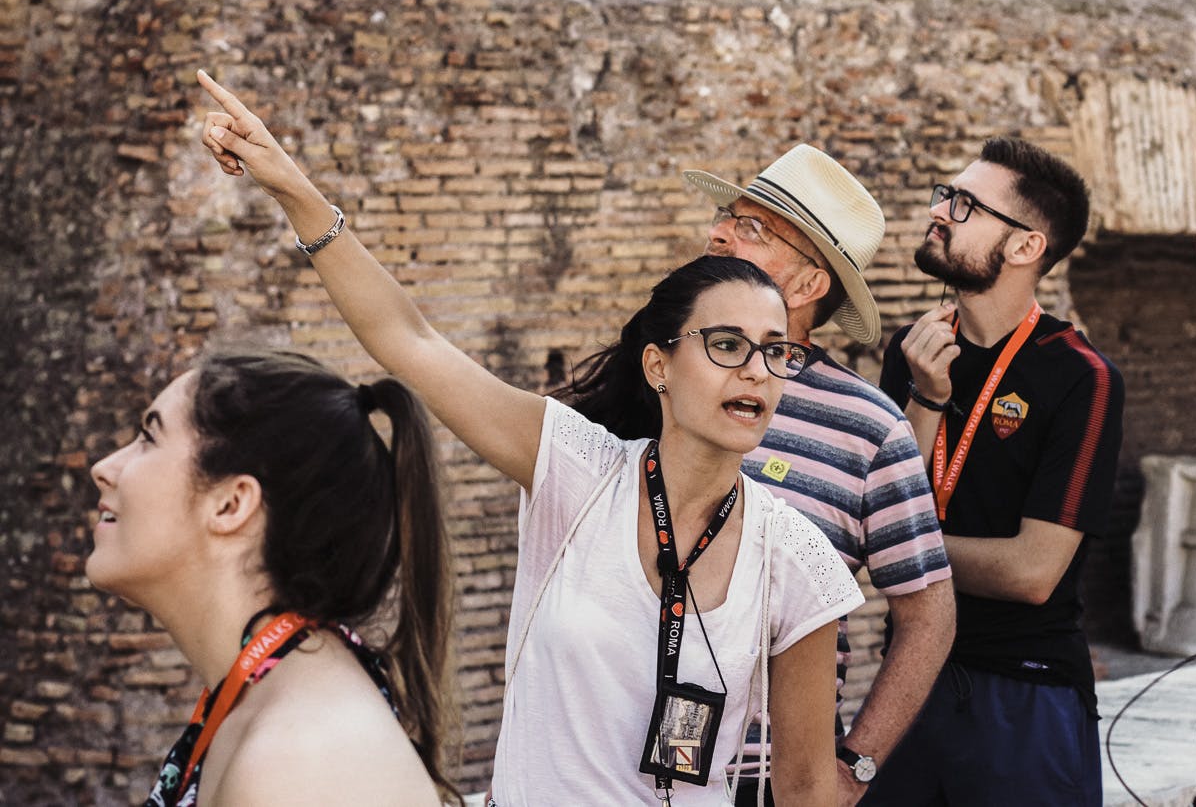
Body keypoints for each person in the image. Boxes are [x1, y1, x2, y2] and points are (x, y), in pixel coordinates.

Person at [196, 70, 862, 806]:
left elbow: (805, 790)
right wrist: (294, 188)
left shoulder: (796, 559)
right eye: (729, 345)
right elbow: (409, 340)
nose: (758, 372)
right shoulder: (577, 473)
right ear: (658, 365)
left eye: (776, 351)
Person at [689, 145, 955, 806]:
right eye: (728, 216)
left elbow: (928, 616)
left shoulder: (869, 427)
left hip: (767, 785)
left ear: (809, 287)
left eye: (752, 229)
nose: (719, 232)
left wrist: (853, 768)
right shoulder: (657, 377)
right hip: (620, 770)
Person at [869, 137, 1124, 806]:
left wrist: (900, 551)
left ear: (1025, 247)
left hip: (1024, 689)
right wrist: (925, 395)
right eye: (945, 195)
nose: (941, 213)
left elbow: (1033, 573)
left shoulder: (1080, 376)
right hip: (909, 675)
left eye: (966, 205)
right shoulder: (914, 349)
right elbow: (892, 504)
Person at [89, 349, 458, 806]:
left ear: (230, 504)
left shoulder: (299, 762)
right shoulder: (276, 703)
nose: (102, 469)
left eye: (148, 437)